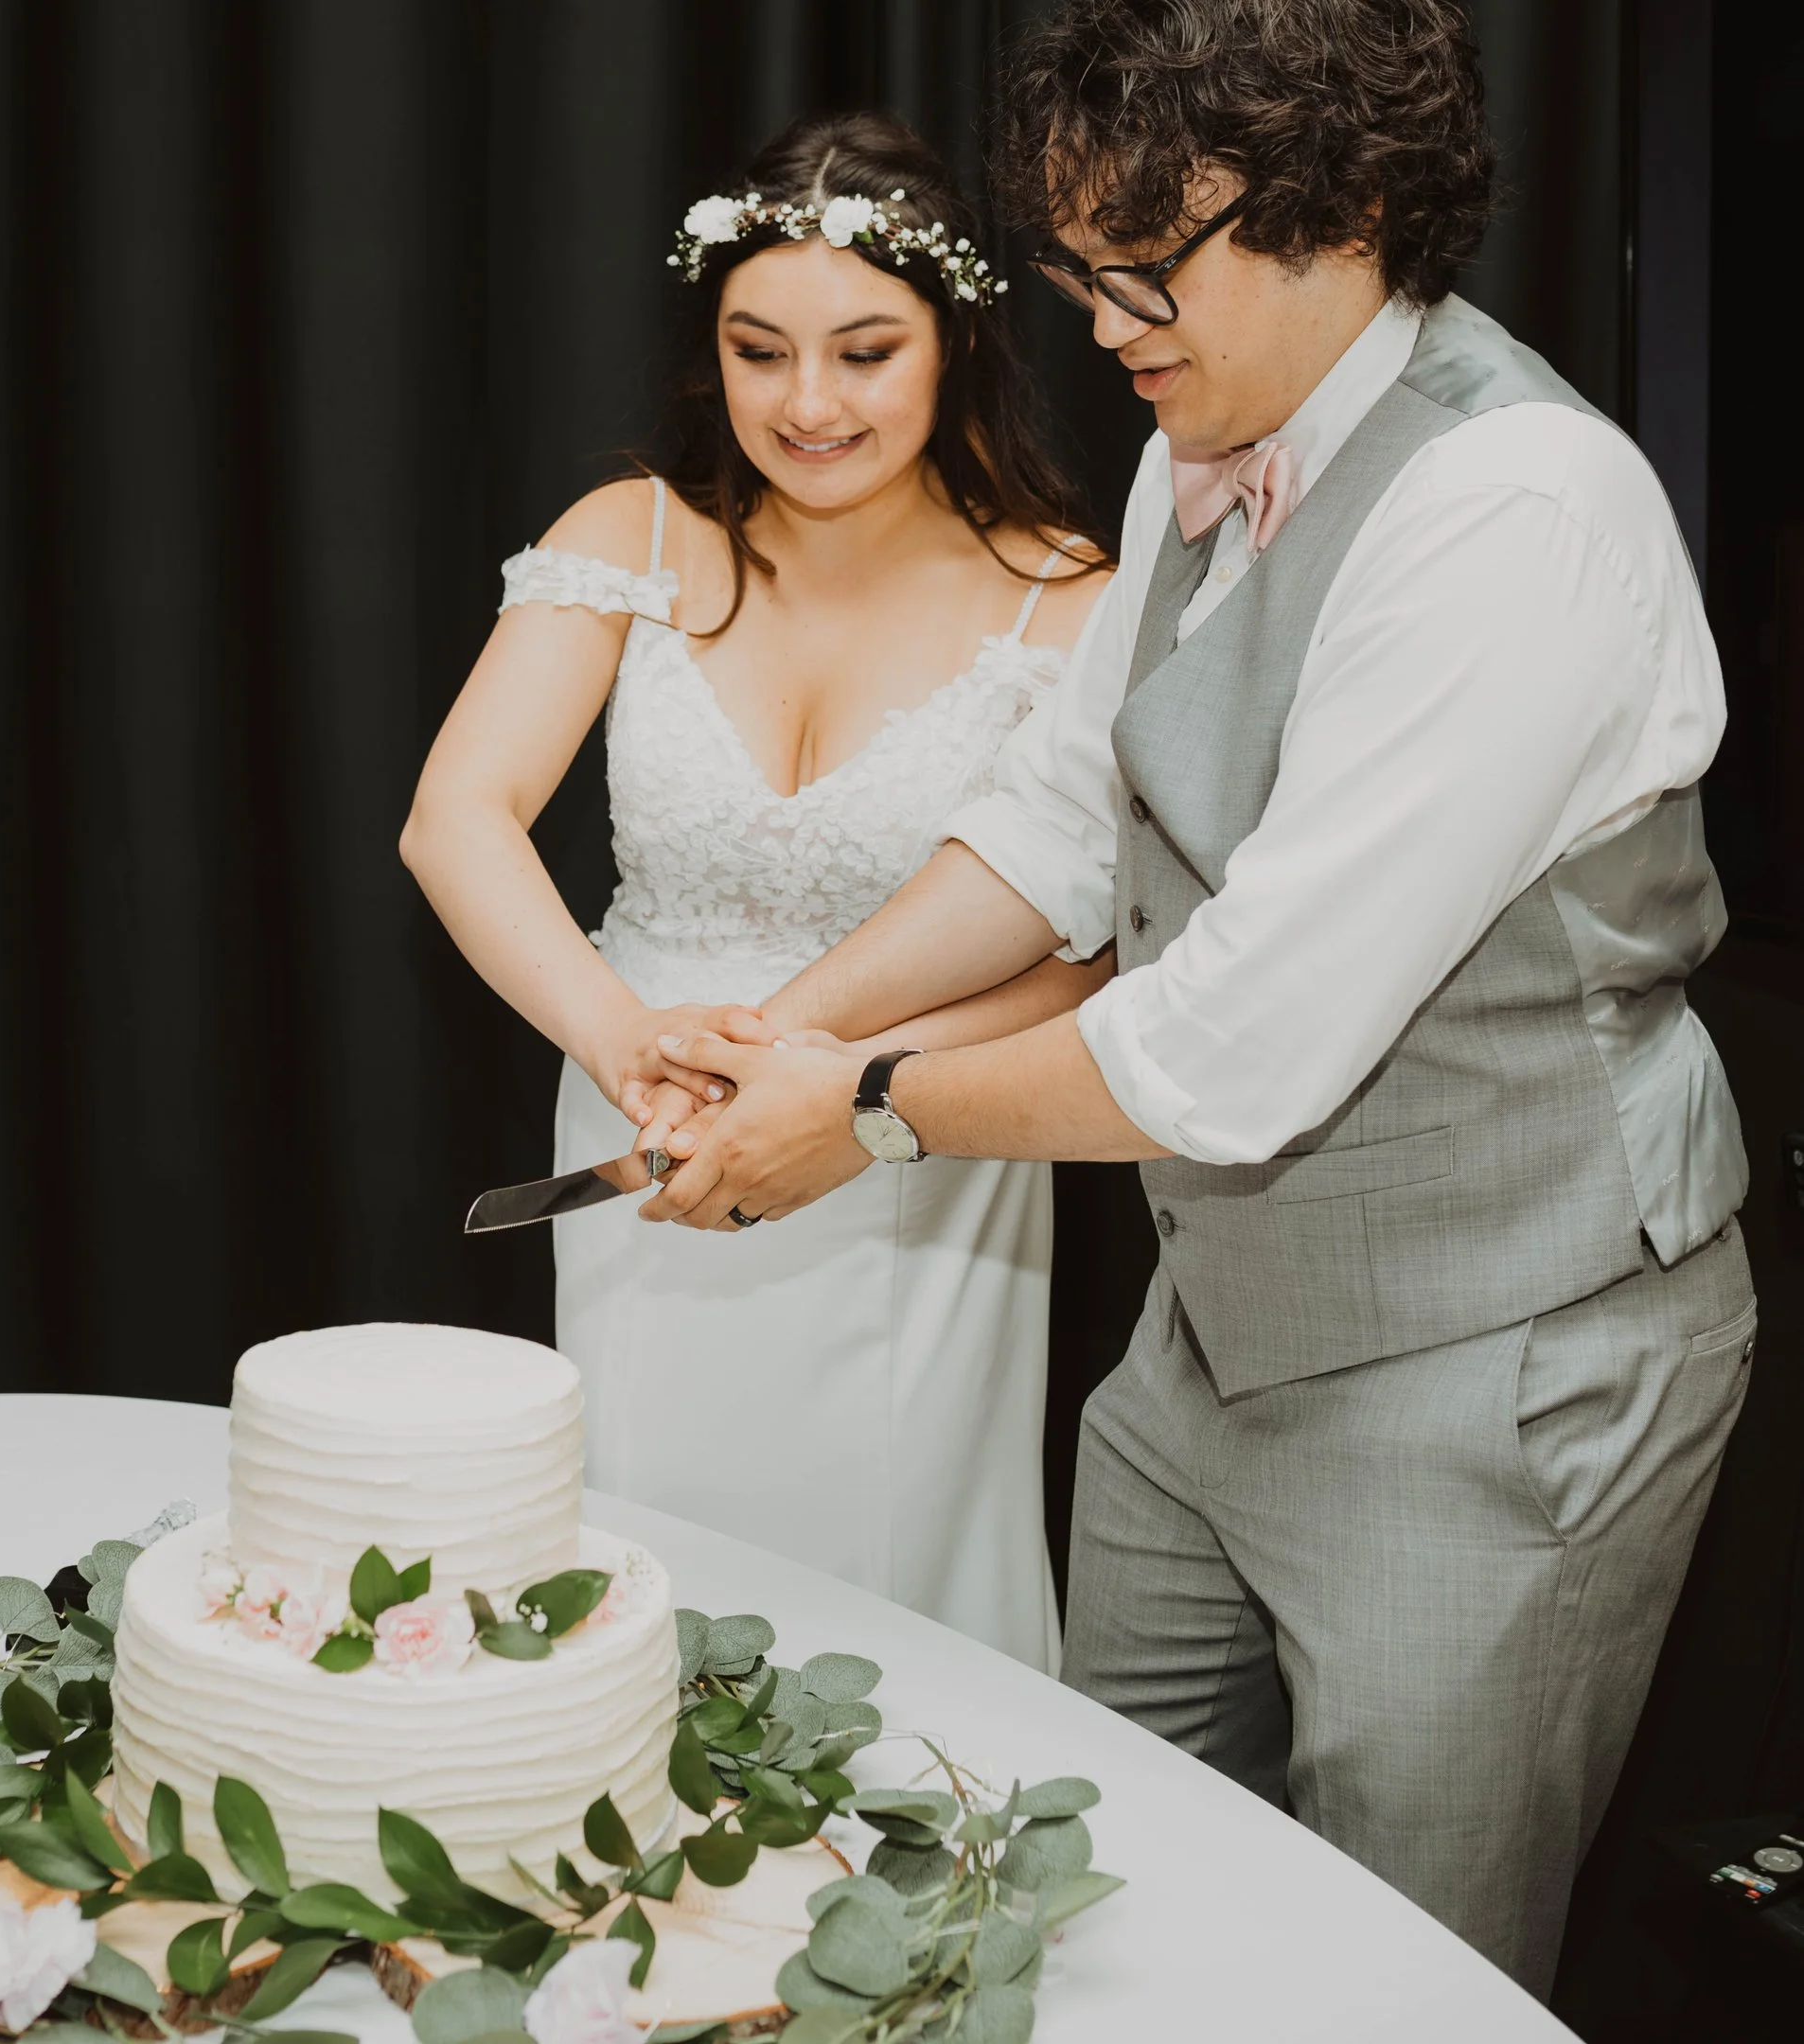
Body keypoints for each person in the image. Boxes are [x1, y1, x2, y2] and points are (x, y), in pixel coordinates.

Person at [634, 0, 1754, 1997]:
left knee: (1399, 1979)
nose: (1096, 322)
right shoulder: (1201, 441)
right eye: (1077, 268)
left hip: (1493, 1371)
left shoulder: (1515, 513)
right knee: (1102, 1915)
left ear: (1346, 218)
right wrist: (785, 1030)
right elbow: (1066, 820)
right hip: (1202, 1354)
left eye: (1139, 269)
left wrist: (861, 1110)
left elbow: (1230, 1044)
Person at [401, 112, 1111, 1669]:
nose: (808, 403)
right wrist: (617, 1042)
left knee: (900, 1593)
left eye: (864, 351)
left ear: (953, 344)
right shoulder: (631, 539)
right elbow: (456, 817)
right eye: (758, 348)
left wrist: (854, 1086)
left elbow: (1085, 958)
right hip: (642, 1121)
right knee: (640, 1564)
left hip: (913, 1158)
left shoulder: (1069, 599)